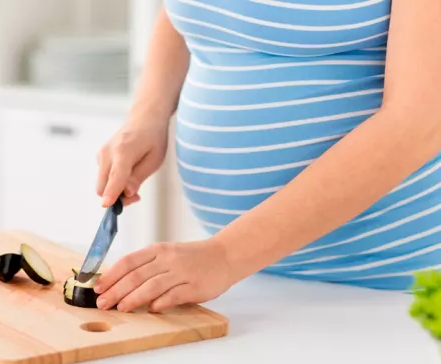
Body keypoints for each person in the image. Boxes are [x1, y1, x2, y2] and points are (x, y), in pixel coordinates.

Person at [92, 0, 441, 313]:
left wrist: (226, 255)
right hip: (253, 277)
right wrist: (148, 115)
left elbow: (418, 123)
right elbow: (191, 13)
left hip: (395, 289)